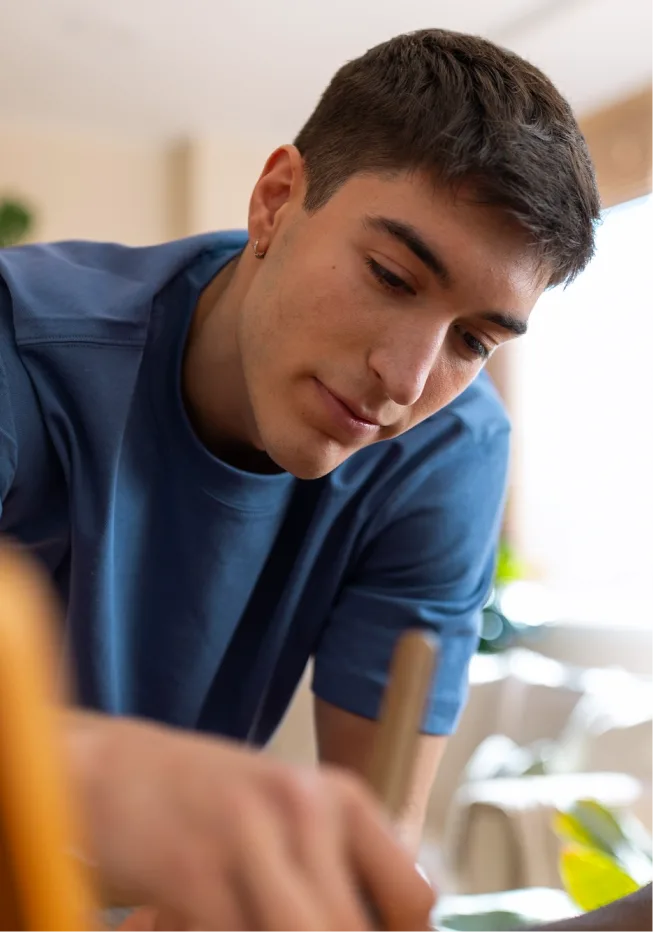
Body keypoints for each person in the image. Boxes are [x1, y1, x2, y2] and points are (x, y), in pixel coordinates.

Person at [0, 26, 599, 932]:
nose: (404, 383)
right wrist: (89, 779)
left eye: (473, 340)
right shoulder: (23, 350)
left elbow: (367, 855)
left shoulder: (445, 450)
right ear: (277, 201)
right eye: (391, 276)